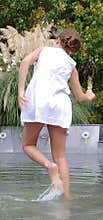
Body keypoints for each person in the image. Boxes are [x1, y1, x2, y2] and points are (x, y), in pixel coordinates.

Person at [18, 29, 96, 201]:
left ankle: (49, 166)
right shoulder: (71, 65)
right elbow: (80, 97)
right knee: (60, 156)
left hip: (38, 101)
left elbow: (24, 62)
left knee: (28, 145)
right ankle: (67, 200)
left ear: (58, 41)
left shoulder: (43, 51)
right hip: (60, 106)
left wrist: (21, 91)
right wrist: (89, 96)